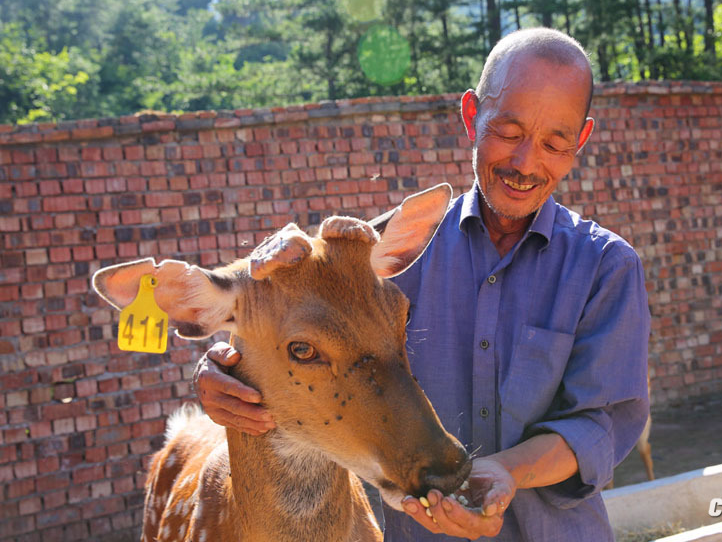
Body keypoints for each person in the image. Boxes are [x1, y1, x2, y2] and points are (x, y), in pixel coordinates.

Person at [194, 27, 650, 541]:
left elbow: (599, 427)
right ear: (472, 115)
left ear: (581, 141)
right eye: (508, 131)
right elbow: (291, 339)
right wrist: (226, 373)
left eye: (555, 143)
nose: (526, 163)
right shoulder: (388, 254)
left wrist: (505, 472)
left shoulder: (606, 267)